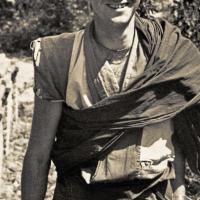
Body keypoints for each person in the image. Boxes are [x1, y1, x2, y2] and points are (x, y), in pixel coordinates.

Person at [21, 0, 200, 199]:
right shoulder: (60, 57)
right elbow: (38, 156)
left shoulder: (169, 53)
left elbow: (176, 142)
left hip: (152, 192)